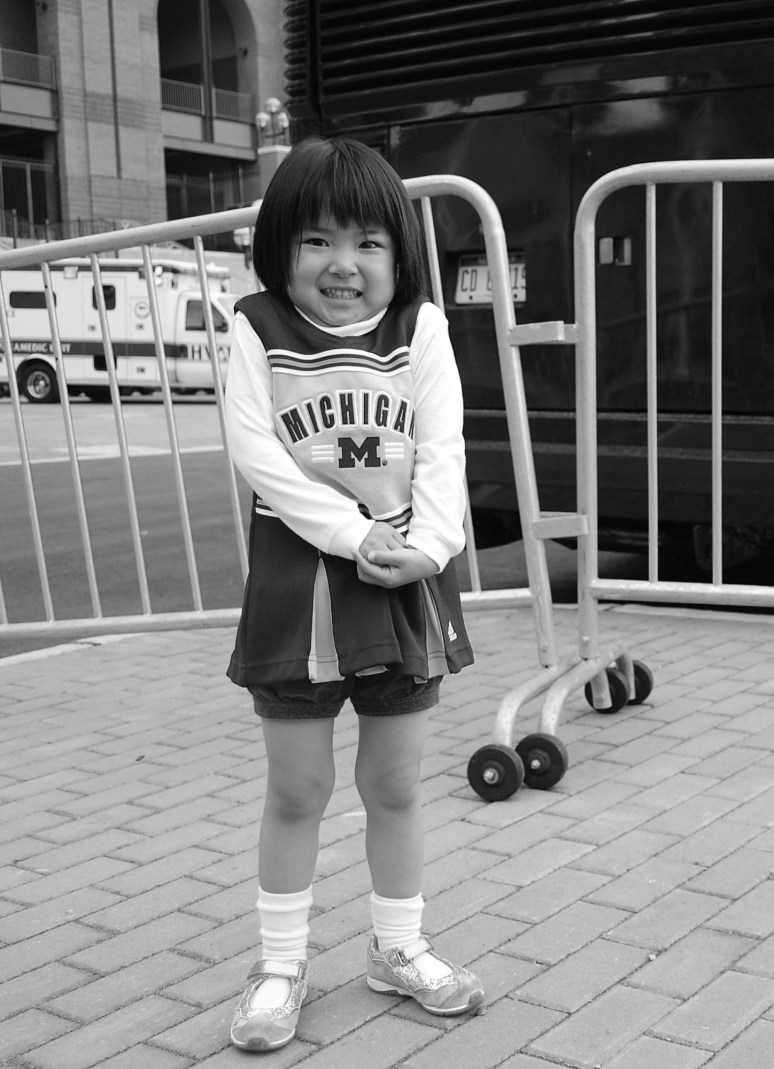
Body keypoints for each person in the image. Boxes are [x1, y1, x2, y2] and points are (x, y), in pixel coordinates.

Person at [224, 136, 482, 1053]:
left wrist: (432, 545)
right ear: (280, 249)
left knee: (396, 783)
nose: (344, 263)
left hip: (403, 579)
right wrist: (349, 532)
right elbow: (258, 456)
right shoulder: (257, 326)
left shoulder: (422, 329)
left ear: (399, 253)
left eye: (369, 241)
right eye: (318, 240)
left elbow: (446, 446)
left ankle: (398, 947)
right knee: (298, 788)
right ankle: (280, 966)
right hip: (301, 586)